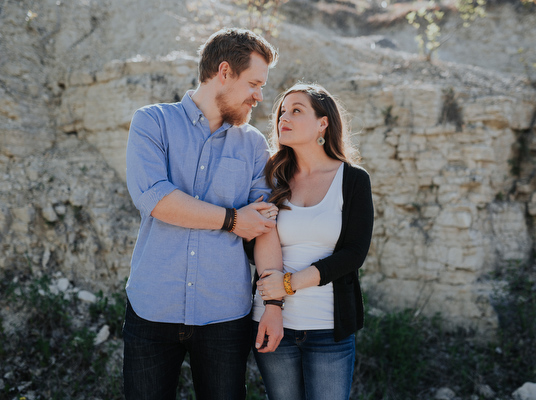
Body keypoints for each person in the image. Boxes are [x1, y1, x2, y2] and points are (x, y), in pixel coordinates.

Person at [123, 28, 284, 400]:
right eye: (254, 84)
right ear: (224, 72)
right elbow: (157, 199)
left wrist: (274, 303)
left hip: (225, 314)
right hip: (152, 308)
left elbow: (262, 225)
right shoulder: (152, 123)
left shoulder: (253, 144)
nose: (260, 97)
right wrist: (231, 219)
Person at [252, 83, 374, 400]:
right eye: (282, 112)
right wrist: (274, 305)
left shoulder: (353, 180)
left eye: (296, 110)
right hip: (271, 318)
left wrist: (289, 283)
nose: (283, 118)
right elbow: (258, 241)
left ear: (323, 123)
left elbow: (354, 253)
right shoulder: (271, 177)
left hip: (328, 327)